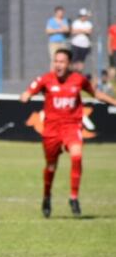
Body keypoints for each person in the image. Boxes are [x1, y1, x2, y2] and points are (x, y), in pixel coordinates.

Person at [20, 48, 116, 217]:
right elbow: (30, 90)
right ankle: (47, 196)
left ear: (69, 64)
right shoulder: (46, 79)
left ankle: (73, 197)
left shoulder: (78, 80)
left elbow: (96, 93)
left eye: (62, 61)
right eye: (56, 61)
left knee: (77, 155)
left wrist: (113, 101)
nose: (58, 65)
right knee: (51, 166)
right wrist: (26, 94)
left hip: (72, 126)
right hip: (51, 129)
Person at [46, 6, 69, 70]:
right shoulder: (51, 20)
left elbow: (66, 30)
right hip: (53, 42)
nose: (61, 14)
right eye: (59, 12)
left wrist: (60, 25)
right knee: (53, 58)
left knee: (63, 58)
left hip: (62, 42)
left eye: (62, 13)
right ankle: (52, 75)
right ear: (56, 13)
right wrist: (59, 30)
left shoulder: (64, 20)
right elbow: (48, 31)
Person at [70, 8, 93, 73]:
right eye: (82, 16)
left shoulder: (89, 23)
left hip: (85, 45)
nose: (83, 17)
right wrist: (84, 30)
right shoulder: (75, 23)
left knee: (81, 61)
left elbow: (89, 32)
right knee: (74, 60)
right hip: (76, 45)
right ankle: (74, 73)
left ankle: (79, 74)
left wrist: (79, 30)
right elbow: (73, 31)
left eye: (84, 16)